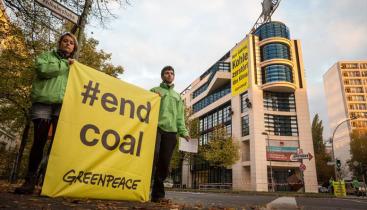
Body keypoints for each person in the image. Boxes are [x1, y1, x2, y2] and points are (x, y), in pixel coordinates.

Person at [15, 32, 78, 194]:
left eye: (71, 43)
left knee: (57, 146)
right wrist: (65, 65)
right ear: (59, 43)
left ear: (74, 48)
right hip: (43, 104)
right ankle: (29, 181)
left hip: (61, 107)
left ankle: (48, 183)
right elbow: (42, 70)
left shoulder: (76, 66)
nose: (68, 44)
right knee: (39, 141)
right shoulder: (46, 56)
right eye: (65, 41)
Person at [150, 66, 190, 202]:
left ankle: (157, 195)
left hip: (171, 133)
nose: (169, 75)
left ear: (174, 76)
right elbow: (145, 106)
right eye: (166, 73)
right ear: (162, 76)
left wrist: (183, 131)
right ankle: (141, 189)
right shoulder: (155, 91)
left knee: (164, 163)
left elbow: (180, 116)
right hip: (155, 129)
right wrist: (154, 98)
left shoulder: (177, 96)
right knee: (152, 158)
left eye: (172, 73)